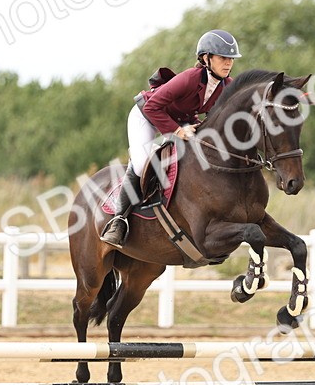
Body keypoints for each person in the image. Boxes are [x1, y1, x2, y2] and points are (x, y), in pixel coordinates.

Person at [99, 29, 241, 247]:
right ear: (206, 58)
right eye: (223, 57)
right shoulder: (189, 78)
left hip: (179, 119)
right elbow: (153, 106)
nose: (228, 63)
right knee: (140, 164)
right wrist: (177, 131)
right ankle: (119, 221)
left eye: (231, 58)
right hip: (146, 115)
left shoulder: (226, 85)